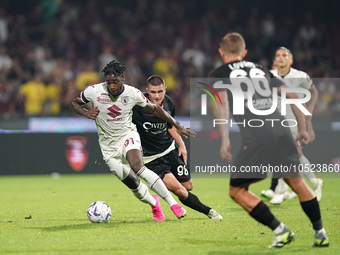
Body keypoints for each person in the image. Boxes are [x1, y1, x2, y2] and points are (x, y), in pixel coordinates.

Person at [210, 32, 329, 248]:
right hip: (282, 130)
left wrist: (225, 139)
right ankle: (320, 233)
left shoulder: (219, 73)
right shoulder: (260, 69)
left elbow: (221, 104)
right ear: (244, 52)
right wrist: (302, 128)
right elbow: (292, 96)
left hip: (256, 136)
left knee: (236, 190)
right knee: (297, 182)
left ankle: (280, 230)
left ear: (221, 52)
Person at [70, 60, 195, 221]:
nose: (112, 86)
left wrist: (177, 124)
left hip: (128, 135)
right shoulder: (94, 91)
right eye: (109, 82)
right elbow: (74, 102)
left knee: (138, 166)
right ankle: (153, 203)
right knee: (135, 185)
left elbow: (156, 109)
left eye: (115, 82)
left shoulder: (132, 93)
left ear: (123, 77)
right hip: (108, 147)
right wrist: (86, 113)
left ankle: (173, 204)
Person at [132, 75, 223, 219]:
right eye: (153, 92)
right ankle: (209, 212)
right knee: (179, 190)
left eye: (160, 92)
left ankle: (160, 188)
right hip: (152, 159)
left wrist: (181, 144)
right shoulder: (137, 105)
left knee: (188, 187)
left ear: (165, 89)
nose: (157, 96)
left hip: (170, 150)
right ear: (147, 91)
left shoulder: (169, 103)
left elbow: (170, 126)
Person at [261, 47, 323, 204]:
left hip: (293, 119)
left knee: (292, 153)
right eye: (278, 55)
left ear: (291, 60)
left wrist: (309, 110)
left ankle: (284, 189)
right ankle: (312, 183)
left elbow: (314, 92)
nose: (281, 58)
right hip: (274, 120)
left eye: (284, 55)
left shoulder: (300, 76)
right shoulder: (270, 76)